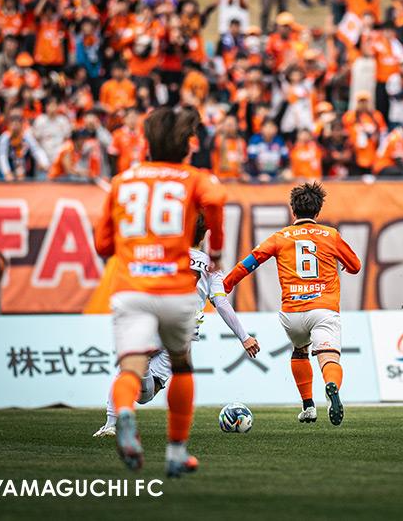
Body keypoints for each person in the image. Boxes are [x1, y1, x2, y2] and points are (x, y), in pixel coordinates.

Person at [94, 106, 226, 475]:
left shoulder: (123, 181)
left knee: (131, 366)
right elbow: (216, 200)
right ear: (186, 146)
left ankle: (122, 414)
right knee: (181, 366)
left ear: (148, 145)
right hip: (175, 288)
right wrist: (216, 251)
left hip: (132, 287)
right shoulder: (194, 178)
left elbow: (102, 245)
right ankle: (176, 452)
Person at [93, 213, 259, 437]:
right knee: (146, 393)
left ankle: (112, 422)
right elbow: (220, 302)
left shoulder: (165, 255)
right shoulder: (211, 266)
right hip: (181, 334)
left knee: (134, 378)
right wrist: (244, 337)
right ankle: (126, 406)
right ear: (204, 236)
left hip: (155, 322)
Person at [223, 182, 362, 425]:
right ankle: (331, 386)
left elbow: (250, 262)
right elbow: (356, 266)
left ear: (293, 209)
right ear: (318, 210)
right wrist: (344, 267)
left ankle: (308, 407)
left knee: (300, 350)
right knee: (328, 356)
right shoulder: (330, 235)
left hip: (292, 313)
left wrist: (226, 285)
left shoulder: (280, 237)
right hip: (323, 309)